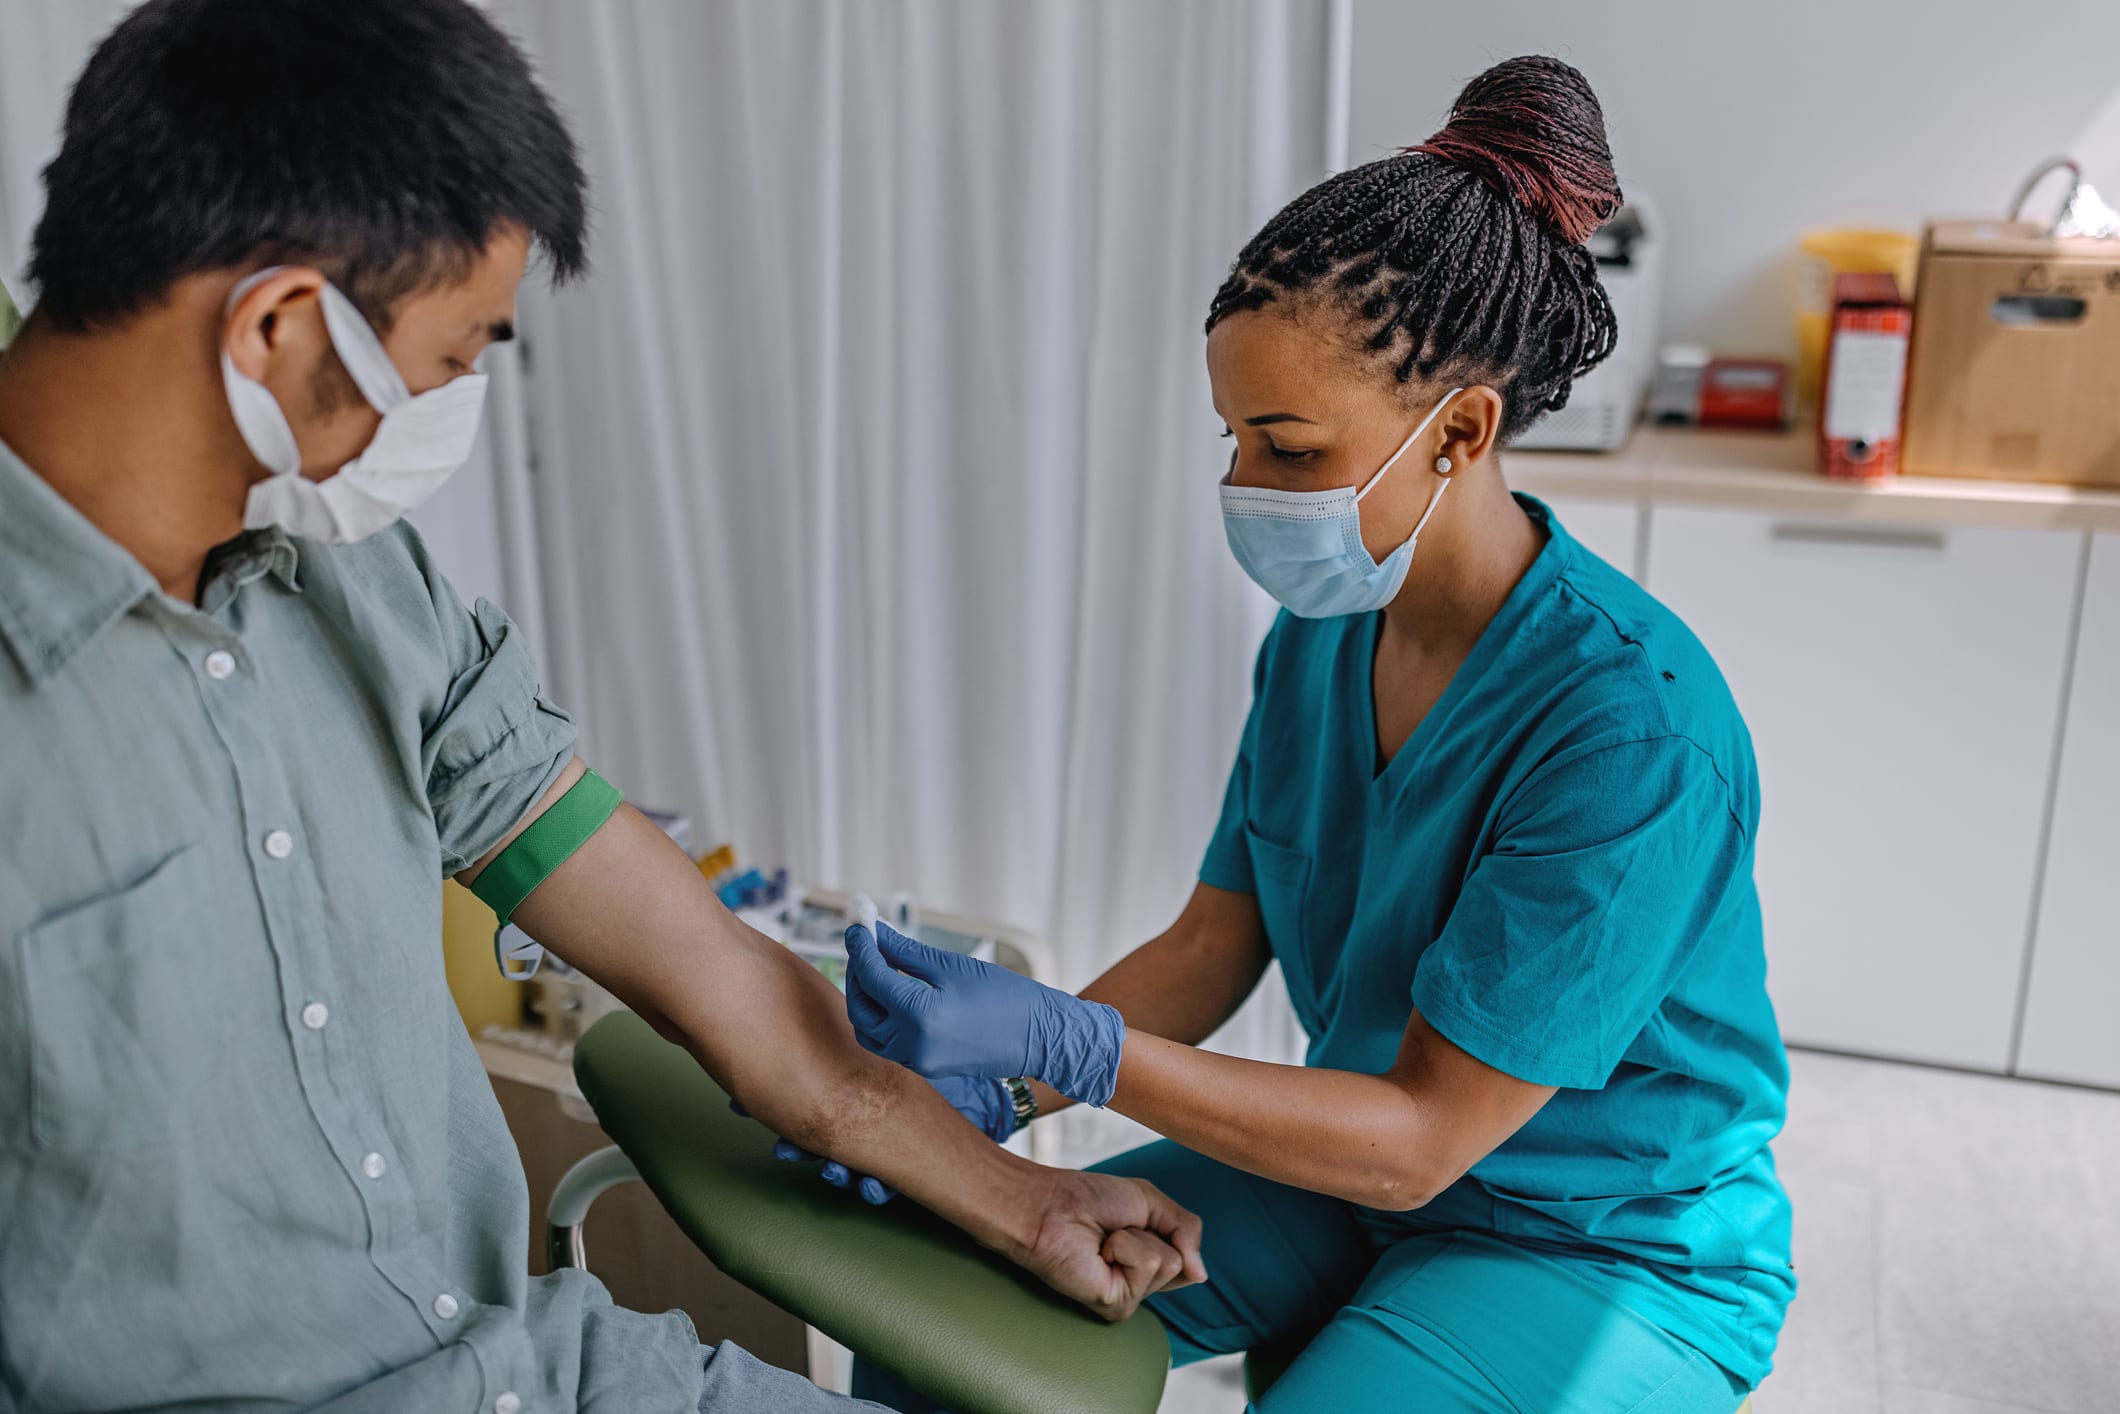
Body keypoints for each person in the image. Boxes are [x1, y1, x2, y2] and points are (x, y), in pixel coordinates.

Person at [0, 2, 1202, 1411]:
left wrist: (1026, 1200)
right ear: (276, 325)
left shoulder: (362, 587)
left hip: (542, 1372)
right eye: (452, 360)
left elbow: (728, 990)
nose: (448, 411)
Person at [832, 57, 1792, 1414]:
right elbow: (1214, 941)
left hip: (1598, 1242)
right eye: (1231, 441)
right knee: (943, 1314)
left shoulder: (1629, 729)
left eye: (1287, 448)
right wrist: (992, 1095)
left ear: (1461, 430)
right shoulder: (1325, 636)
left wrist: (1076, 1044)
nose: (1245, 488)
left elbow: (1420, 1140)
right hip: (1354, 1169)